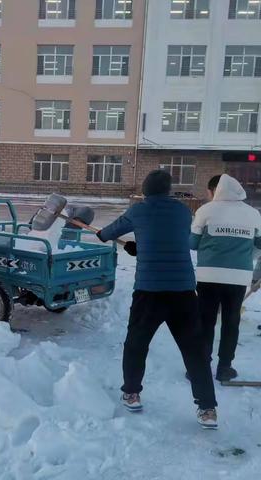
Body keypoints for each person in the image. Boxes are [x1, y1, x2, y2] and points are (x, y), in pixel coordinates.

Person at [96, 170, 218, 429]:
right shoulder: (183, 212)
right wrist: (141, 246)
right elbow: (171, 239)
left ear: (146, 189)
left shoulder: (138, 210)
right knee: (195, 350)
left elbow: (107, 233)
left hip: (149, 292)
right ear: (168, 190)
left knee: (136, 344)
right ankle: (207, 409)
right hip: (183, 292)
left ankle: (131, 393)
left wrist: (118, 240)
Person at [190, 174, 261, 381]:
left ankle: (201, 367)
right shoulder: (253, 214)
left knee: (206, 321)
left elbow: (192, 244)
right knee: (231, 322)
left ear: (215, 191)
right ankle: (225, 368)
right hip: (238, 278)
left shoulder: (205, 210)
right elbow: (259, 244)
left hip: (208, 276)